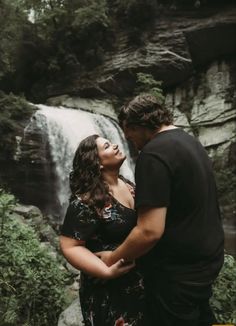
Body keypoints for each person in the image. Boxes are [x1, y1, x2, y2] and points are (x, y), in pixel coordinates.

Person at [97, 94, 225, 326]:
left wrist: (113, 258)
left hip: (176, 275)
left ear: (139, 126)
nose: (129, 141)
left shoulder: (154, 154)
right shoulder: (190, 142)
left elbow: (149, 231)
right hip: (205, 264)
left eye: (130, 134)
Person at [59, 134, 146, 326]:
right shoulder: (87, 200)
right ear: (97, 163)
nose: (115, 145)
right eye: (107, 146)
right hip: (108, 290)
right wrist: (106, 272)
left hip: (138, 283)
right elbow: (70, 246)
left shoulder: (129, 185)